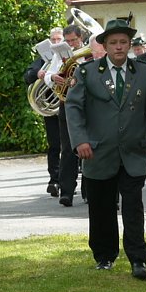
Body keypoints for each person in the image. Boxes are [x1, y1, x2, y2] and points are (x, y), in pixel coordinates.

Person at [65, 18, 146, 279]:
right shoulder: (87, 72)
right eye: (113, 43)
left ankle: (138, 259)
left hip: (134, 152)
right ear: (105, 46)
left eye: (123, 42)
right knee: (101, 207)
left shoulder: (143, 72)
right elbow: (73, 108)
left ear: (130, 44)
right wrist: (80, 141)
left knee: (133, 206)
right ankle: (104, 256)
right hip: (98, 152)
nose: (119, 47)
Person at [44, 24, 87, 207]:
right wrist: (54, 78)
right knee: (68, 149)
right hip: (67, 104)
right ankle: (66, 192)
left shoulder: (90, 52)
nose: (70, 45)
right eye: (67, 41)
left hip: (88, 106)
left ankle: (88, 192)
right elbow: (48, 74)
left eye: (73, 41)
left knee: (90, 149)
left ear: (81, 39)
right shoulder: (59, 54)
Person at [23, 26, 64, 197]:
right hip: (52, 111)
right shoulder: (43, 59)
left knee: (72, 147)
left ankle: (73, 181)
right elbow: (27, 76)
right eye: (52, 40)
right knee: (54, 146)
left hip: (69, 107)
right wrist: (37, 73)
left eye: (58, 39)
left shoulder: (70, 57)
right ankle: (54, 180)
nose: (55, 42)